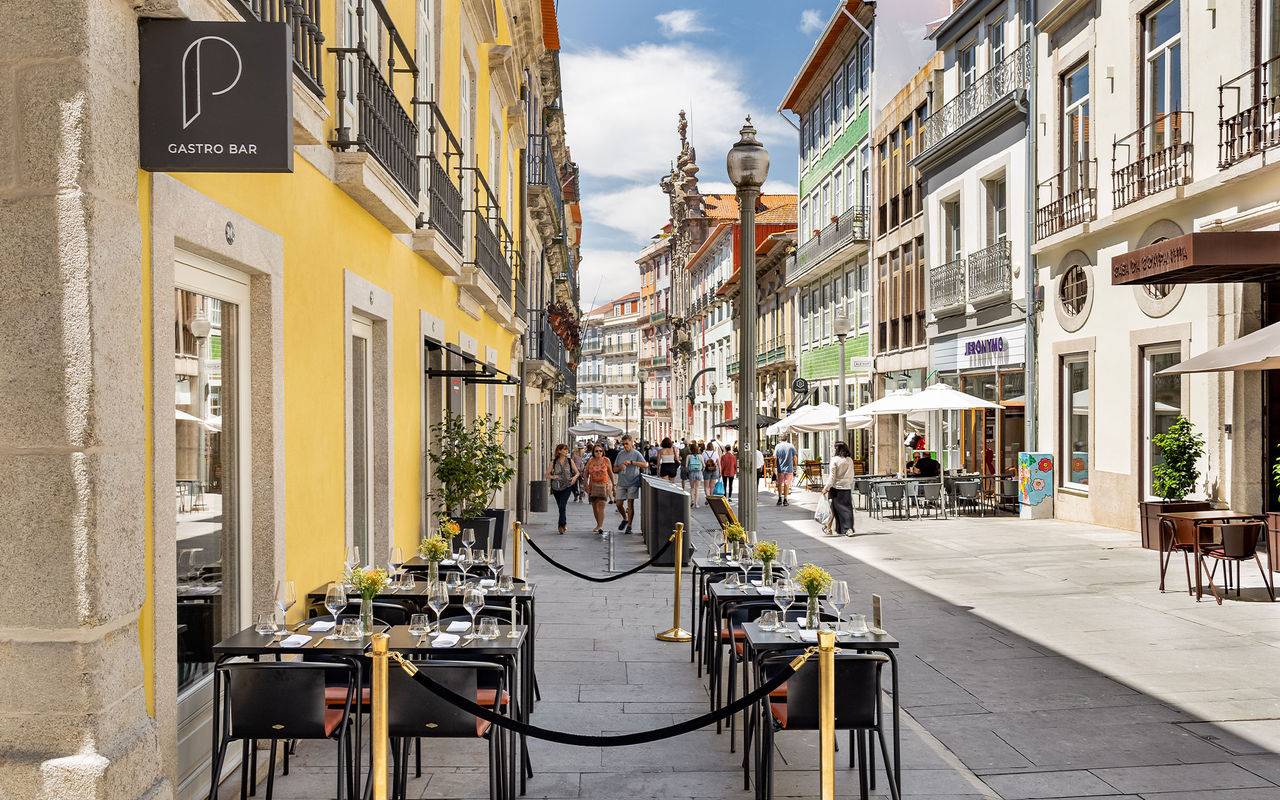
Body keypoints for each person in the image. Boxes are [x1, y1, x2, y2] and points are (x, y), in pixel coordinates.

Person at [612, 435, 647, 534]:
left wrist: (632, 462)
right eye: (623, 444)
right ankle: (625, 518)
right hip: (622, 482)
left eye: (627, 443)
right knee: (618, 504)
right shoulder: (620, 454)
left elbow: (645, 464)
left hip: (633, 482)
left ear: (631, 443)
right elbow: (614, 469)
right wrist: (620, 467)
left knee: (630, 504)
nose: (625, 446)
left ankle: (630, 526)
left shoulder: (636, 454)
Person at [823, 441, 856, 537]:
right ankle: (847, 528)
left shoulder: (834, 460)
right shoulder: (849, 460)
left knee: (833, 509)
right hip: (846, 487)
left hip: (836, 487)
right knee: (847, 509)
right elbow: (852, 474)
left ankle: (830, 528)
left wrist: (826, 488)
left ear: (837, 449)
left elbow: (832, 476)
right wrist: (848, 483)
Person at [545, 444, 580, 535]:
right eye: (564, 450)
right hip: (556, 487)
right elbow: (546, 475)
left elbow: (577, 473)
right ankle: (564, 523)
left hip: (567, 486)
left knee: (562, 506)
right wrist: (553, 476)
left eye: (567, 450)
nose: (566, 451)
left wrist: (574, 478)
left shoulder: (569, 461)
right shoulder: (553, 462)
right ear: (559, 451)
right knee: (561, 507)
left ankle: (560, 526)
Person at [583, 444, 615, 534]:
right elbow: (586, 475)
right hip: (593, 485)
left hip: (604, 485)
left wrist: (614, 484)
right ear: (593, 452)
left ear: (603, 451)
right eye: (596, 451)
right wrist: (586, 486)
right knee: (595, 505)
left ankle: (600, 525)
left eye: (600, 451)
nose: (599, 453)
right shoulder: (590, 461)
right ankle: (598, 524)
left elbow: (610, 473)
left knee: (602, 504)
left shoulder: (606, 460)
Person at [773, 435, 798, 506]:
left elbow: (775, 457)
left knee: (780, 484)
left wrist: (774, 466)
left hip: (780, 468)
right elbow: (794, 457)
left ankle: (779, 498)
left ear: (780, 439)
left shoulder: (777, 446)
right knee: (787, 484)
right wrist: (795, 465)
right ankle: (785, 499)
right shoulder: (791, 446)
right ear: (787, 439)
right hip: (789, 469)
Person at [684, 442, 705, 508]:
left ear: (691, 449)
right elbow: (704, 465)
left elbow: (686, 466)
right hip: (699, 472)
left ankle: (692, 501)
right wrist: (701, 471)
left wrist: (688, 471)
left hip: (691, 472)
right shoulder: (700, 456)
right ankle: (696, 503)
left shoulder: (689, 456)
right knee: (697, 488)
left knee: (692, 488)